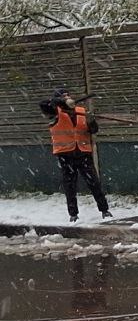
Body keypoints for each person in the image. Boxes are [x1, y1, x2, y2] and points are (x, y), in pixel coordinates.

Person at [41, 88, 112, 223]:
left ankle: (104, 210)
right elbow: (43, 104)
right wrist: (58, 102)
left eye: (68, 96)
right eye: (63, 96)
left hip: (83, 152)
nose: (67, 98)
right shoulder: (54, 112)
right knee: (70, 185)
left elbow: (93, 130)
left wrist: (91, 121)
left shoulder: (81, 111)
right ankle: (73, 214)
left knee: (94, 183)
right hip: (65, 153)